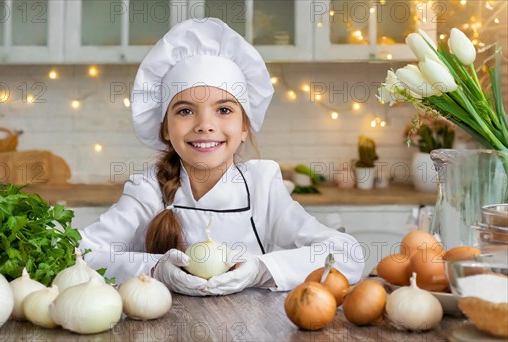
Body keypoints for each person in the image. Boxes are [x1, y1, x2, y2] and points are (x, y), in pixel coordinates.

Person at [78, 18, 364, 296]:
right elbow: (79, 254)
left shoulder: (262, 187)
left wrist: (260, 269)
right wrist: (155, 269)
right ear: (165, 128)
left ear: (244, 127)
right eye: (185, 110)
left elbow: (347, 255)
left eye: (224, 110)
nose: (205, 125)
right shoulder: (148, 191)